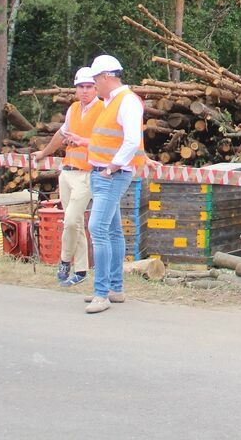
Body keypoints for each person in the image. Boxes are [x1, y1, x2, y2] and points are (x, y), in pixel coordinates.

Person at [83, 54, 147, 314]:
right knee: (111, 231)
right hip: (104, 174)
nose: (93, 84)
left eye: (96, 79)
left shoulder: (127, 101)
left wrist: (112, 167)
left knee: (97, 228)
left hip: (111, 175)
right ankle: (114, 288)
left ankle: (102, 293)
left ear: (107, 76)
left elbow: (131, 140)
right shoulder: (111, 102)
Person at [30, 66, 101, 287]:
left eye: (89, 86)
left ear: (96, 88)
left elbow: (105, 143)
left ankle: (64, 260)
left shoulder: (102, 110)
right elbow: (62, 134)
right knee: (75, 223)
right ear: (76, 88)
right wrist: (43, 153)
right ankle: (80, 270)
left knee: (71, 220)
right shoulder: (73, 110)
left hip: (86, 173)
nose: (85, 91)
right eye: (81, 87)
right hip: (67, 171)